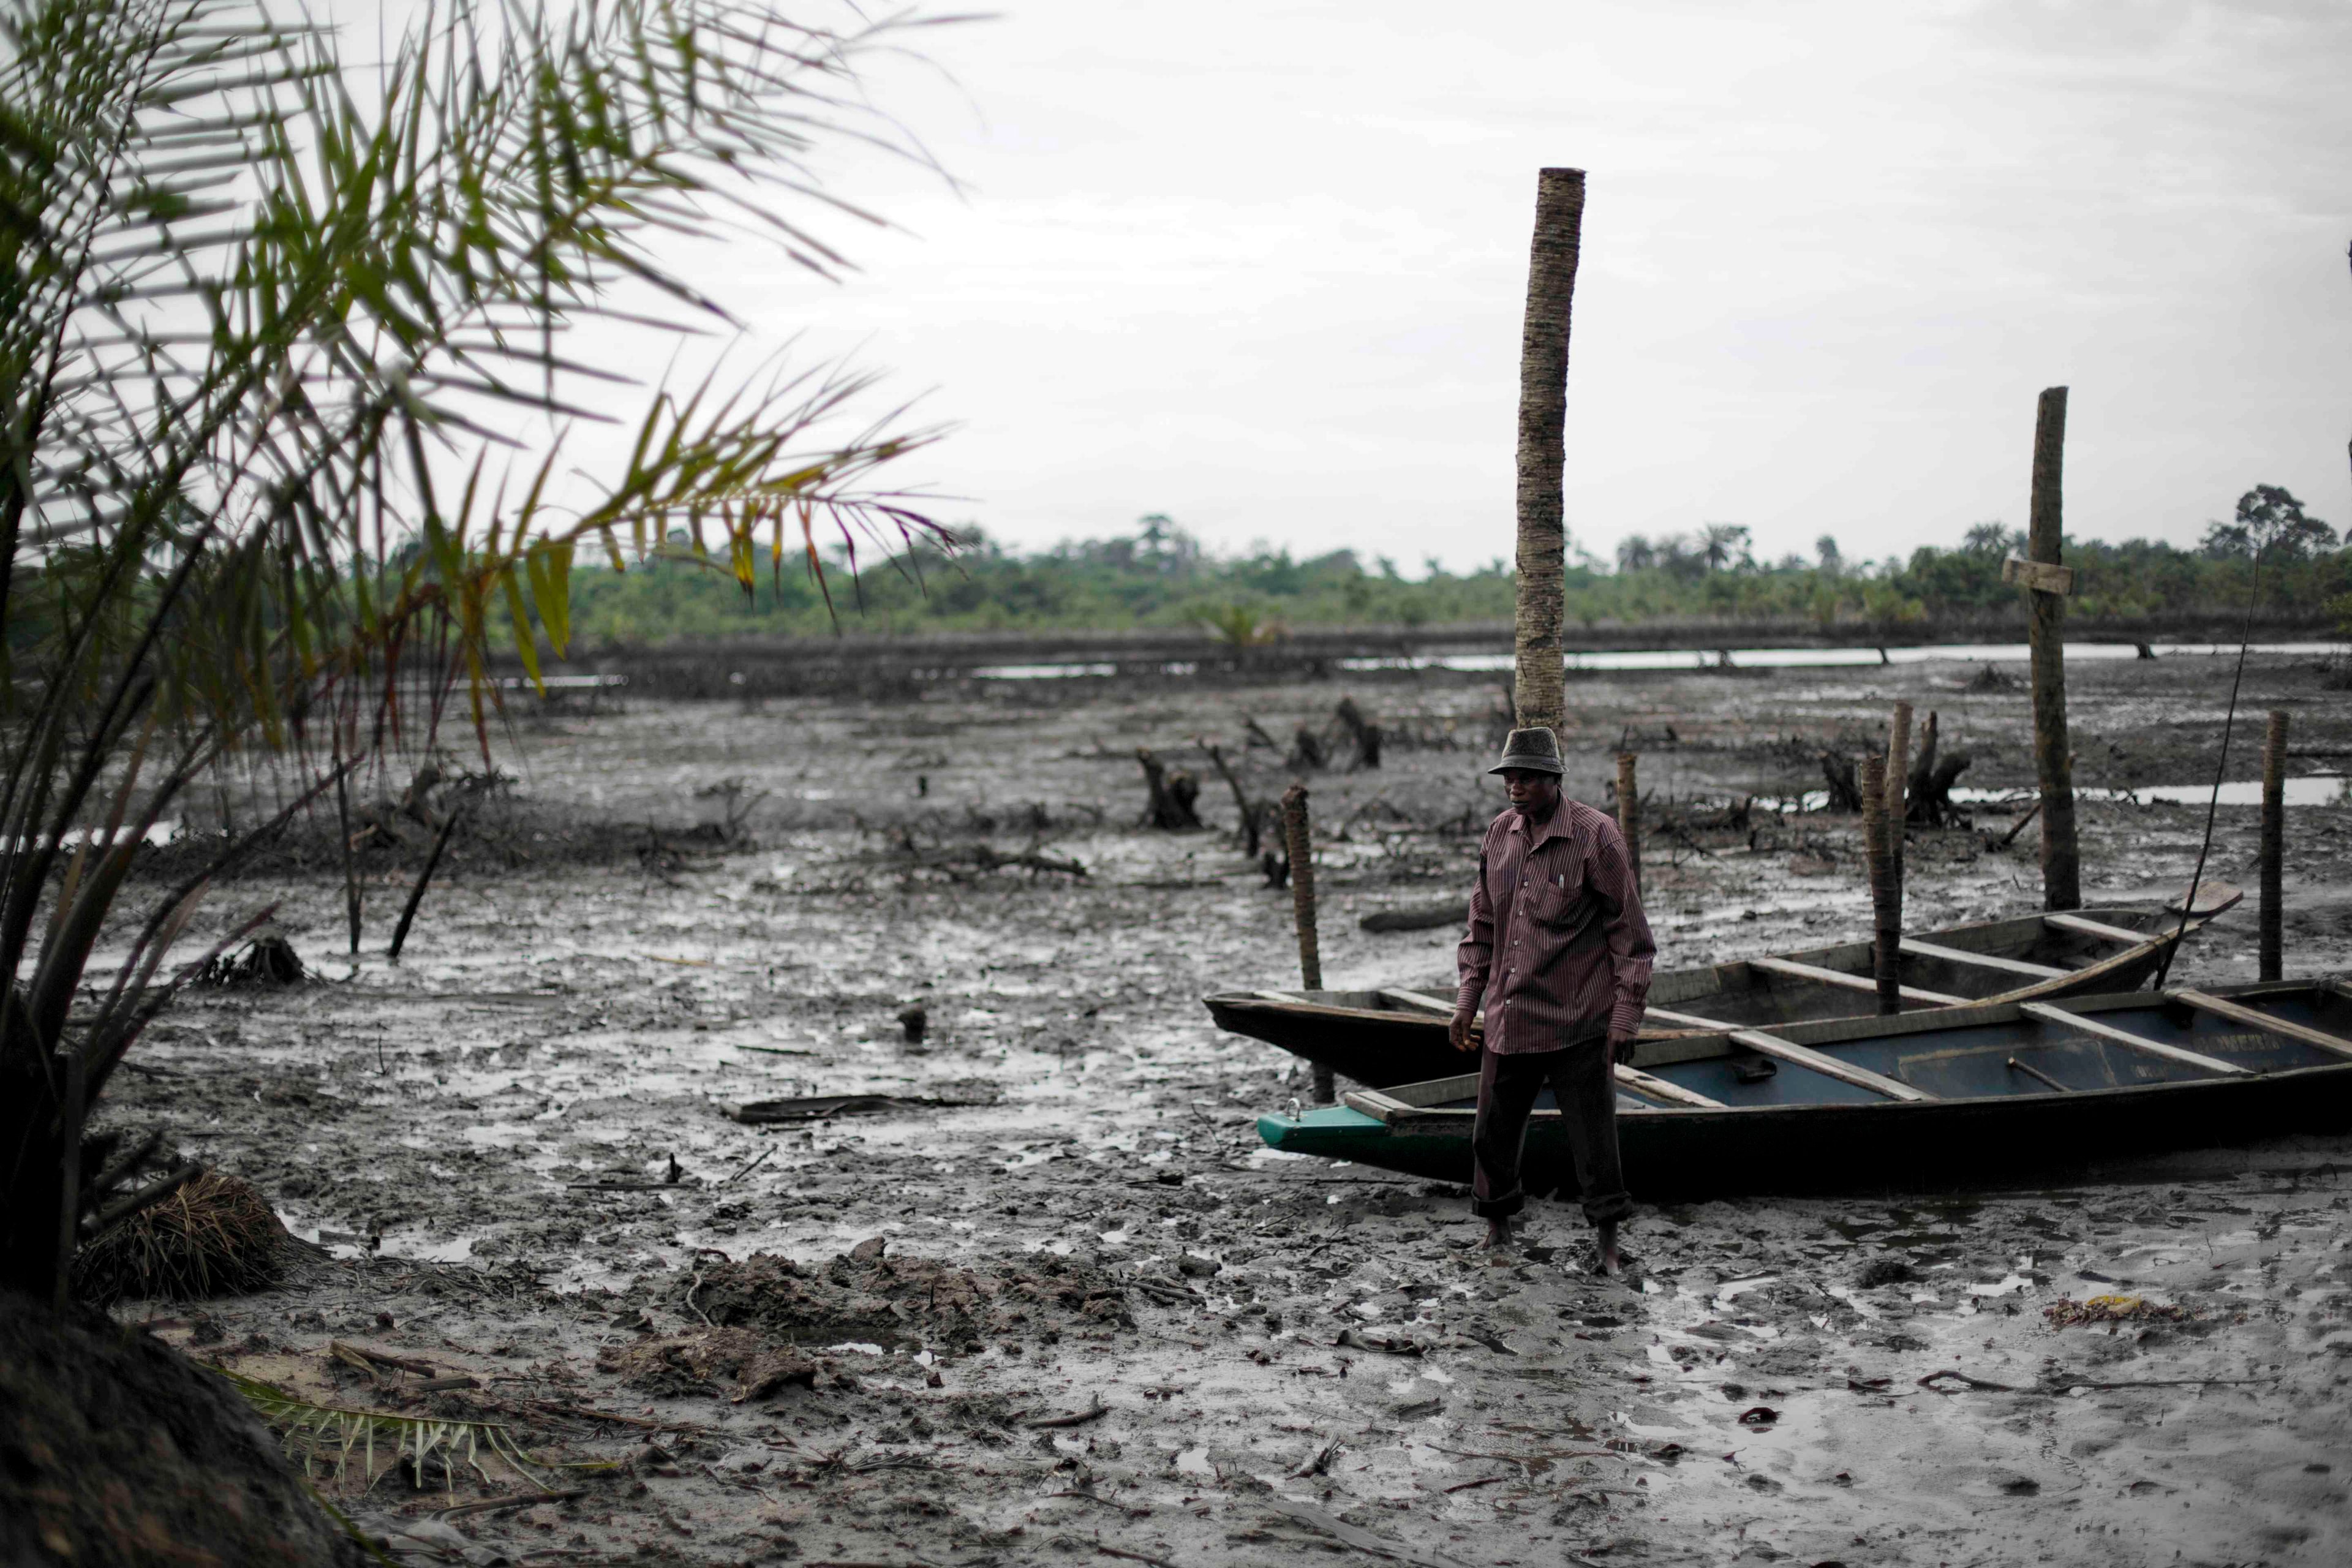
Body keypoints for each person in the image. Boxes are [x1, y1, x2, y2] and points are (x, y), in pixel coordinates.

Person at [1448, 725, 1654, 1272]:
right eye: (1509, 776)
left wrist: (1626, 1016)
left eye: (1528, 777)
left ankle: (1608, 1247)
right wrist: (1468, 1000)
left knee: (1594, 1139)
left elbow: (1630, 935)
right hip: (1509, 1014)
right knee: (1491, 1133)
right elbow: (1482, 924)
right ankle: (1497, 1233)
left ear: (1554, 779)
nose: (1515, 786)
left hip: (1577, 1018)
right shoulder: (1499, 835)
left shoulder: (1596, 836)